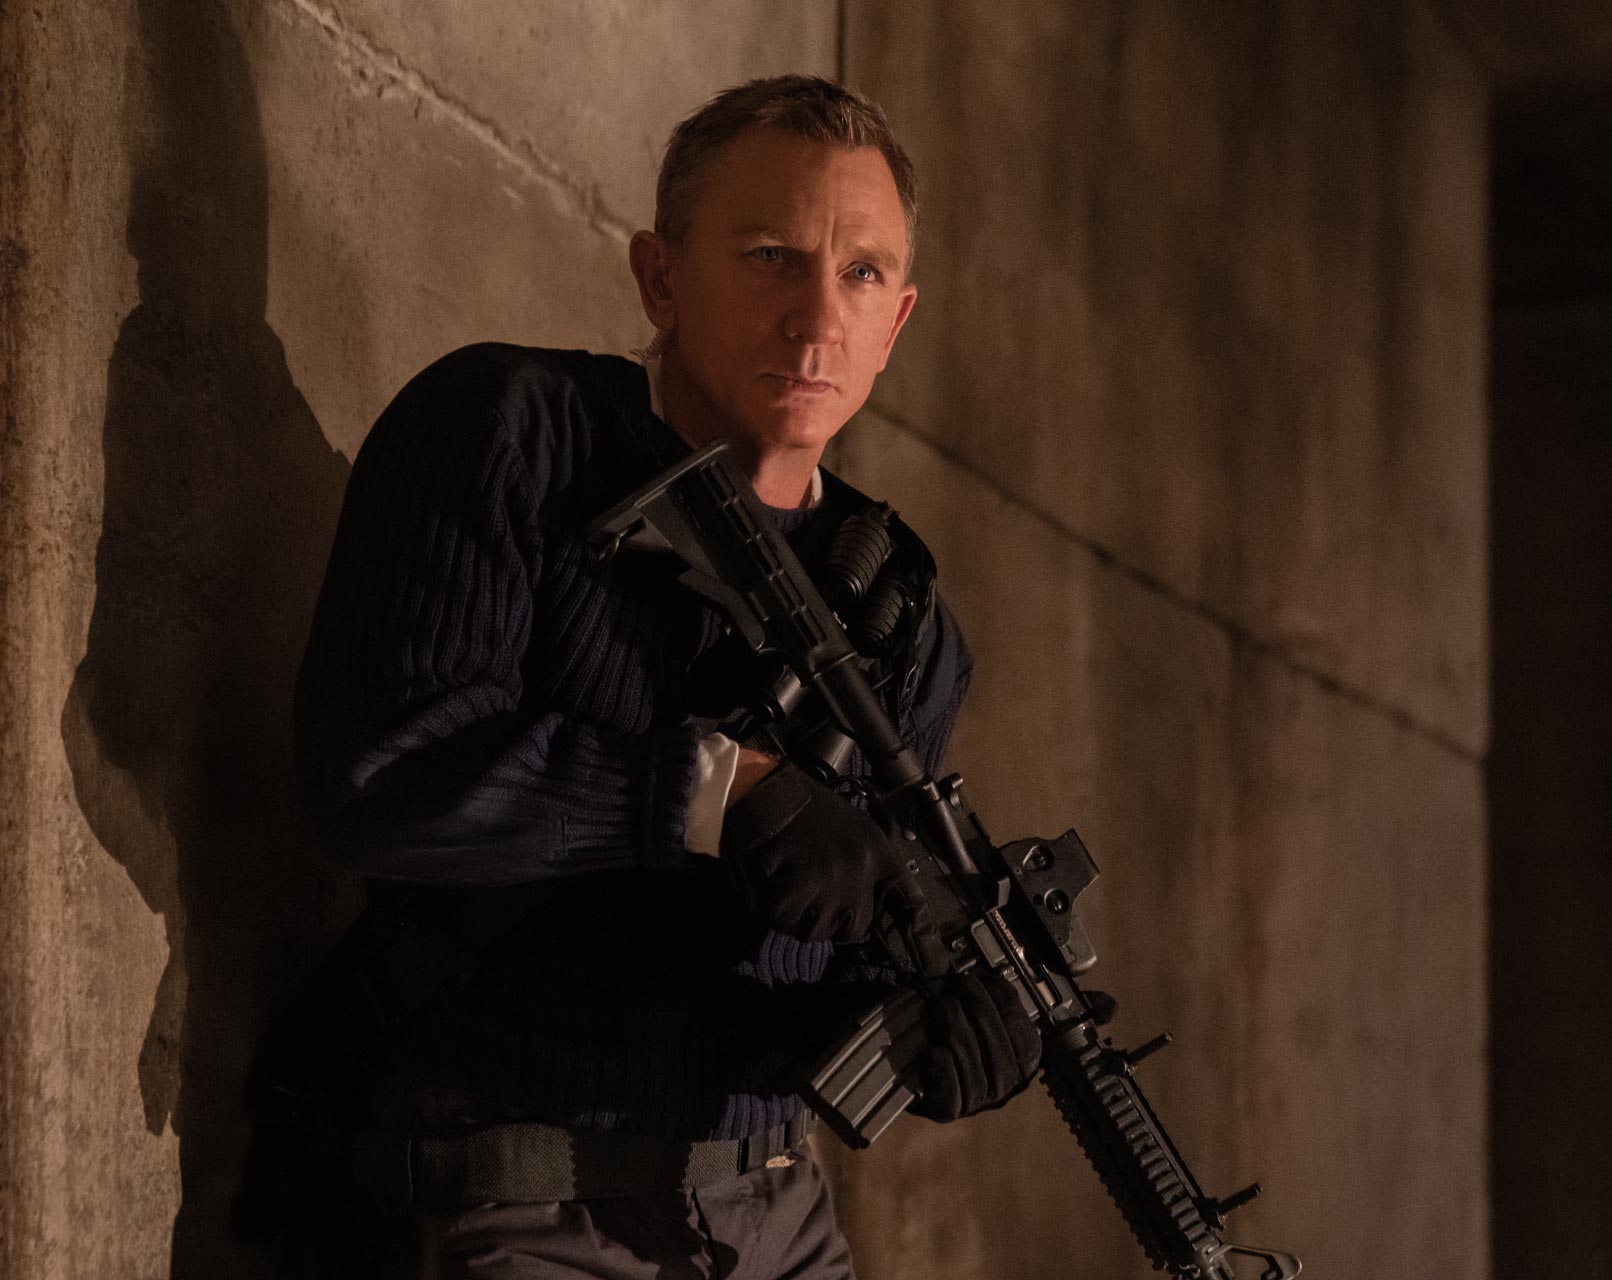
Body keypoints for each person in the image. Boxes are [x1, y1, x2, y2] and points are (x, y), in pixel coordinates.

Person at [242, 76, 1042, 1279]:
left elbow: (820, 954)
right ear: (659, 276)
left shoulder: (904, 619)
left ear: (897, 320)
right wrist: (716, 791)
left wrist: (933, 1022)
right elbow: (381, 775)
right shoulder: (513, 435)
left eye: (862, 274)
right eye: (771, 257)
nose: (817, 318)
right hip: (520, 1198)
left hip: (778, 1213)